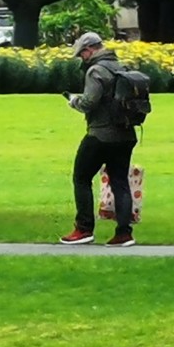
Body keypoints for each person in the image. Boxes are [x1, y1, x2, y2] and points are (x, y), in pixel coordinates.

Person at [59, 32, 137, 246]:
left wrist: (74, 101)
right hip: (127, 135)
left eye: (82, 54)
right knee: (120, 182)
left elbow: (89, 103)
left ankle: (83, 229)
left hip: (101, 135)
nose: (82, 58)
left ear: (89, 50)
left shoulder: (96, 71)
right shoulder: (121, 67)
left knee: (81, 178)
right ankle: (124, 233)